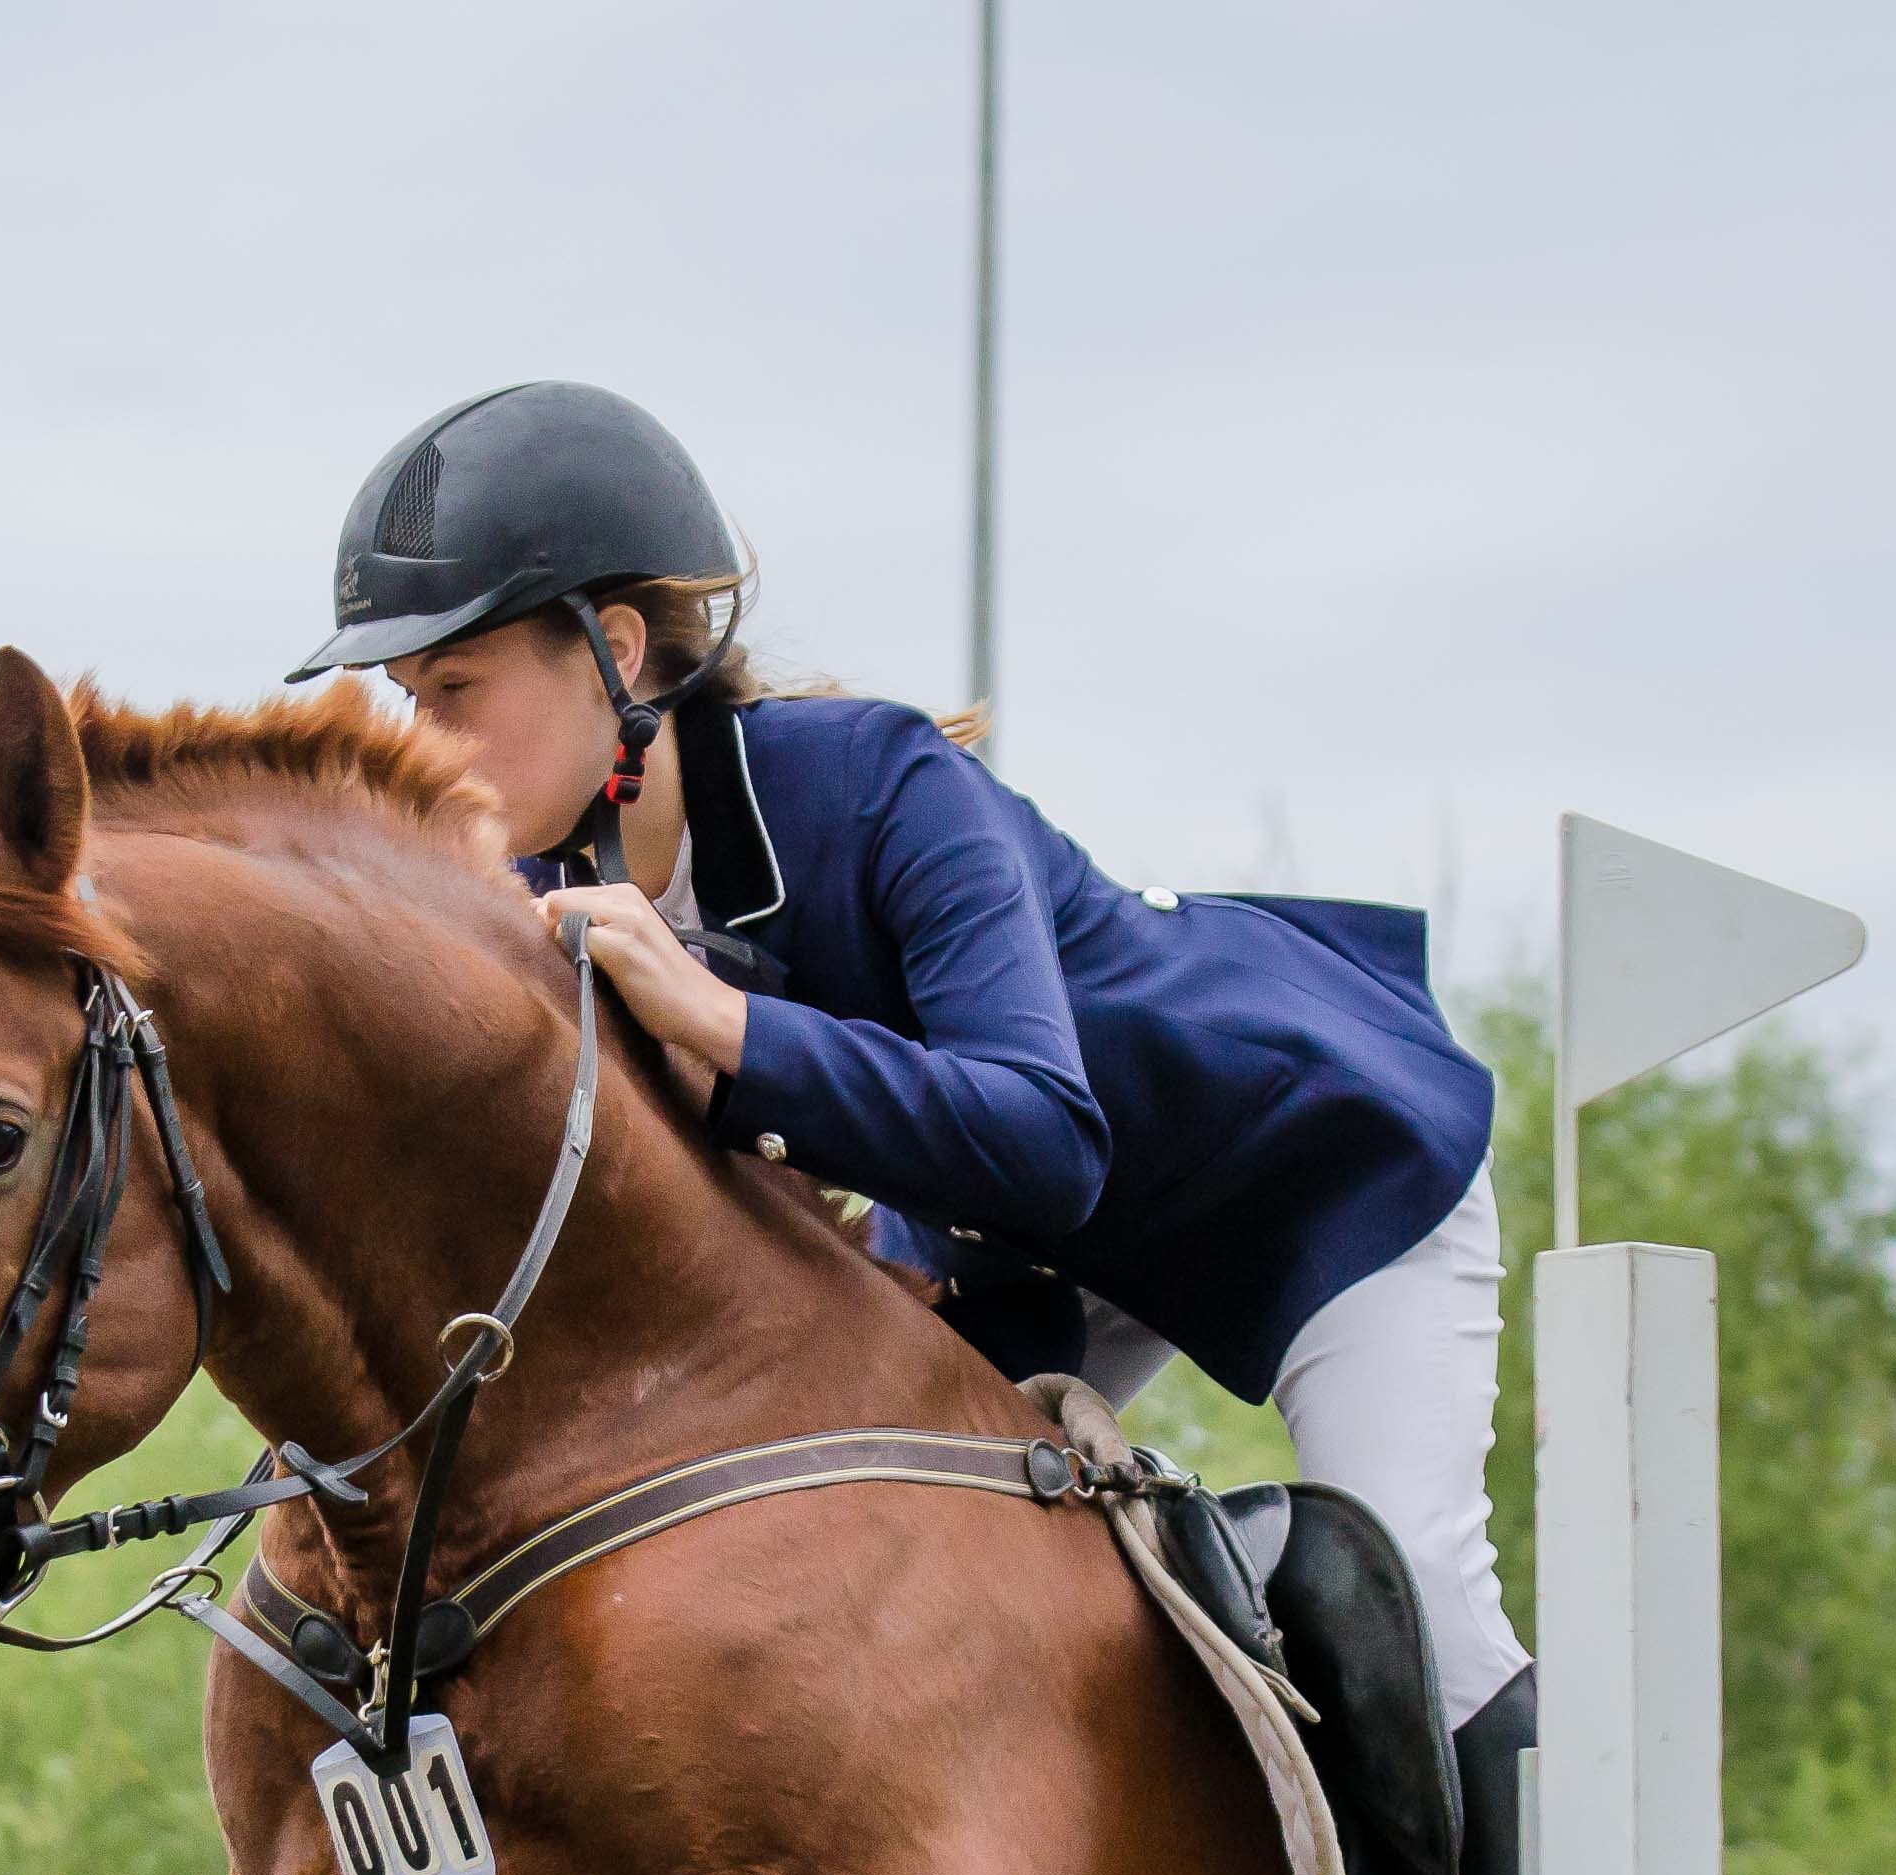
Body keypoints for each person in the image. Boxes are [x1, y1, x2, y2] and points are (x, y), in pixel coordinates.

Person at [290, 381, 1531, 1788]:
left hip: (1304, 1166)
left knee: (1412, 1603)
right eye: (405, 700)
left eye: (452, 691)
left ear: (613, 653)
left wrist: (719, 1027)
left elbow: (1048, 1137)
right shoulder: (542, 887)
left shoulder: (878, 784)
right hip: (1025, 1249)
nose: (417, 744)